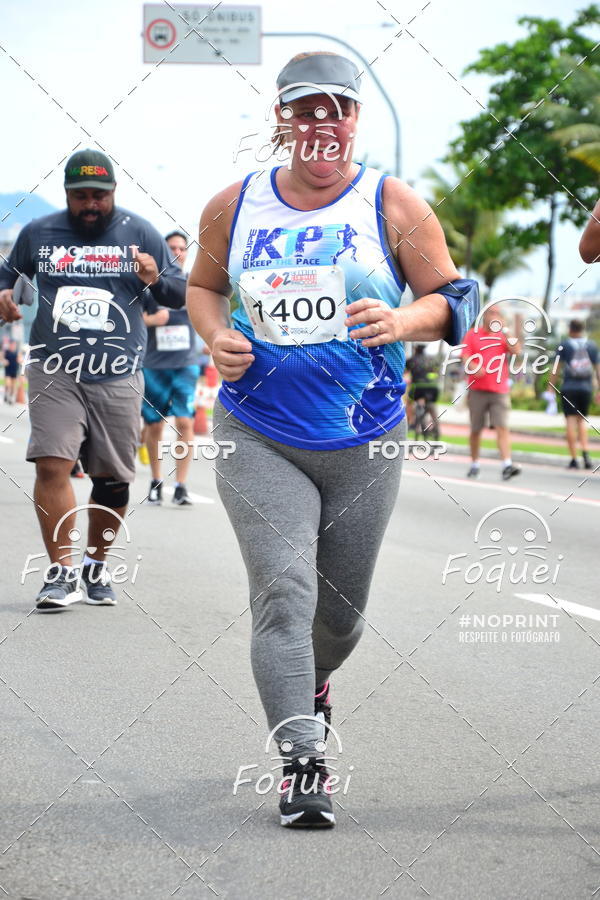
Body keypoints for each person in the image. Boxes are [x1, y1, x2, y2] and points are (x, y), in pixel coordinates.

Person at [187, 51, 479, 827]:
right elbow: (202, 286)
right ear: (281, 118)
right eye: (304, 109)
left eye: (336, 108)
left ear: (356, 118)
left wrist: (403, 320)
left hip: (365, 440)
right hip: (259, 431)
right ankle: (301, 762)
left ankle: (315, 680)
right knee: (285, 595)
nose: (321, 123)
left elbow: (455, 299)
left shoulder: (392, 204)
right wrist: (216, 336)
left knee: (339, 617)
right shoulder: (234, 205)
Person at [0, 148, 186, 611]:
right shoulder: (39, 234)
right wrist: (4, 292)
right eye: (81, 195)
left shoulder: (139, 232)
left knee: (113, 479)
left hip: (118, 373)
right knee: (51, 463)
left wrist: (156, 274)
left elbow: (180, 293)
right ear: (66, 194)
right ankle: (61, 572)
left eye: (98, 196)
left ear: (113, 193)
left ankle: (95, 564)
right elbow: (7, 277)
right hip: (54, 365)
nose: (90, 204)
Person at [142, 230, 198, 506]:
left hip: (185, 363)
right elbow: (132, 320)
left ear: (187, 253)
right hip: (154, 365)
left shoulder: (195, 285)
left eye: (181, 247)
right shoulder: (150, 285)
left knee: (185, 421)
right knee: (154, 426)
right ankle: (155, 480)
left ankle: (181, 485)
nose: (177, 251)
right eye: (171, 247)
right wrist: (153, 320)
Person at [462, 304, 522, 480]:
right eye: (491, 313)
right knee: (476, 429)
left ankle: (507, 465)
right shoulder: (473, 334)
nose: (494, 316)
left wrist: (507, 330)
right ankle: (474, 464)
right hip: (477, 390)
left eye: (497, 313)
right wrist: (473, 366)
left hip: (499, 390)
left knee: (502, 426)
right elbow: (465, 356)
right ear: (485, 316)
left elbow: (517, 351)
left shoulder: (503, 336)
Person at [548, 319, 600, 469]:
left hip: (569, 387)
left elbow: (556, 368)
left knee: (570, 421)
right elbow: (598, 369)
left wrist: (551, 386)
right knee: (582, 421)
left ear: (570, 329)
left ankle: (573, 459)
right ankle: (586, 453)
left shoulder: (564, 345)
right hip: (586, 388)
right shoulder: (591, 346)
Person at [405, 344, 440, 438]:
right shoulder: (431, 360)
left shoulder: (411, 360)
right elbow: (436, 373)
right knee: (432, 407)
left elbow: (405, 374)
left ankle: (410, 423)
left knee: (409, 402)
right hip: (433, 388)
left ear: (415, 349)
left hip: (418, 387)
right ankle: (436, 428)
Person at [2, 338, 19, 403]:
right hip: (8, 370)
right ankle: (6, 394)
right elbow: (2, 358)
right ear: (10, 345)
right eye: (12, 344)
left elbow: (19, 359)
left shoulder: (16, 352)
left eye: (14, 345)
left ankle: (11, 398)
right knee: (8, 384)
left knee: (13, 386)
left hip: (14, 370)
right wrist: (4, 361)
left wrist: (20, 361)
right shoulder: (6, 351)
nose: (13, 346)